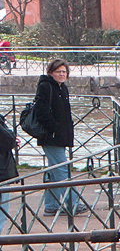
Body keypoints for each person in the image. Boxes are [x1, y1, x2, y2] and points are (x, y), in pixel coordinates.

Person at [30, 59, 79, 218]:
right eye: (58, 71)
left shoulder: (62, 87)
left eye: (64, 71)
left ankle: (51, 206)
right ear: (51, 72)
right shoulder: (45, 86)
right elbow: (41, 111)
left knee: (54, 171)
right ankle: (73, 203)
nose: (62, 74)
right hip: (51, 137)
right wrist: (54, 129)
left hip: (60, 136)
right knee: (62, 169)